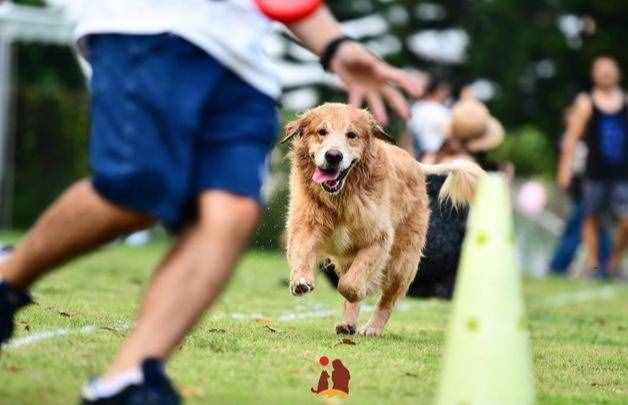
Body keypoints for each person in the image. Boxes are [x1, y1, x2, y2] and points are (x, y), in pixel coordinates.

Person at [0, 2, 420, 404]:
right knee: (139, 192)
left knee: (230, 212)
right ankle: (9, 278)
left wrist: (335, 45)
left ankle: (128, 380)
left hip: (243, 61)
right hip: (145, 26)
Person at [558, 55, 628, 278]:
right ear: (594, 74)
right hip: (594, 172)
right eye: (601, 69)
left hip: (622, 173)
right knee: (591, 218)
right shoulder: (586, 102)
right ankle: (594, 266)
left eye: (610, 69)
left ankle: (614, 262)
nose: (606, 73)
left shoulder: (626, 101)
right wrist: (564, 169)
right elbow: (571, 138)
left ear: (618, 73)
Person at [550, 106, 612, 276]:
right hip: (582, 195)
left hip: (595, 193)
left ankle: (604, 269)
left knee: (600, 232)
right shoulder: (568, 141)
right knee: (576, 230)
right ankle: (558, 267)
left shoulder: (590, 140)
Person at [400, 75, 452, 160]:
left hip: (417, 156)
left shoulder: (416, 108)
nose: (447, 94)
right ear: (439, 91)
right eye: (446, 91)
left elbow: (408, 136)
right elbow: (448, 137)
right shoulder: (444, 112)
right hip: (438, 158)